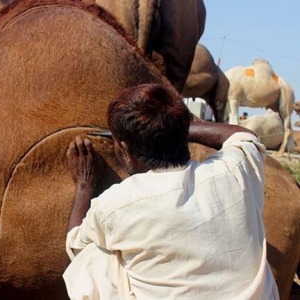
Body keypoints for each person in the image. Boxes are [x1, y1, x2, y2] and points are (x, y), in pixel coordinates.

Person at [63, 83, 279, 299]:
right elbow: (245, 135)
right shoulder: (234, 169)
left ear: (126, 150)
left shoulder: (115, 203)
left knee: (95, 257)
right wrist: (175, 128)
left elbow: (75, 246)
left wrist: (84, 185)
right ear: (183, 132)